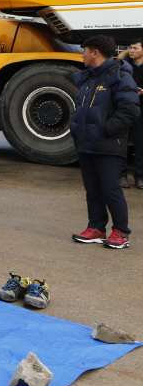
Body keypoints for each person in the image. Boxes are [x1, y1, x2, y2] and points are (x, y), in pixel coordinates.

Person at [71, 35, 140, 250]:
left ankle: (121, 232)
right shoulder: (88, 78)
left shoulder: (120, 76)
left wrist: (105, 131)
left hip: (108, 144)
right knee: (92, 189)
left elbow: (130, 110)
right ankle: (96, 228)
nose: (82, 55)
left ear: (95, 52)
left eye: (85, 50)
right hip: (86, 143)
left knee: (111, 189)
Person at [119, 36, 143, 189]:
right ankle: (121, 176)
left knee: (140, 145)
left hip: (141, 111)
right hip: (125, 109)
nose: (131, 50)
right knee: (121, 145)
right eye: (130, 47)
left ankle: (139, 177)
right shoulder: (125, 65)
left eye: (135, 48)